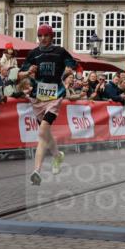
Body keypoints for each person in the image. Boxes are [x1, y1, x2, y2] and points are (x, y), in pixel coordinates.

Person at [24, 24, 76, 185]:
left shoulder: (59, 51)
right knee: (45, 133)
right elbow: (21, 73)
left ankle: (37, 171)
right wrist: (27, 72)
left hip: (55, 96)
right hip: (38, 98)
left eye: (46, 35)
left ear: (51, 36)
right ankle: (57, 156)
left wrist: (68, 68)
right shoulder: (34, 54)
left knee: (42, 132)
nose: (43, 38)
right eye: (40, 36)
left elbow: (72, 64)